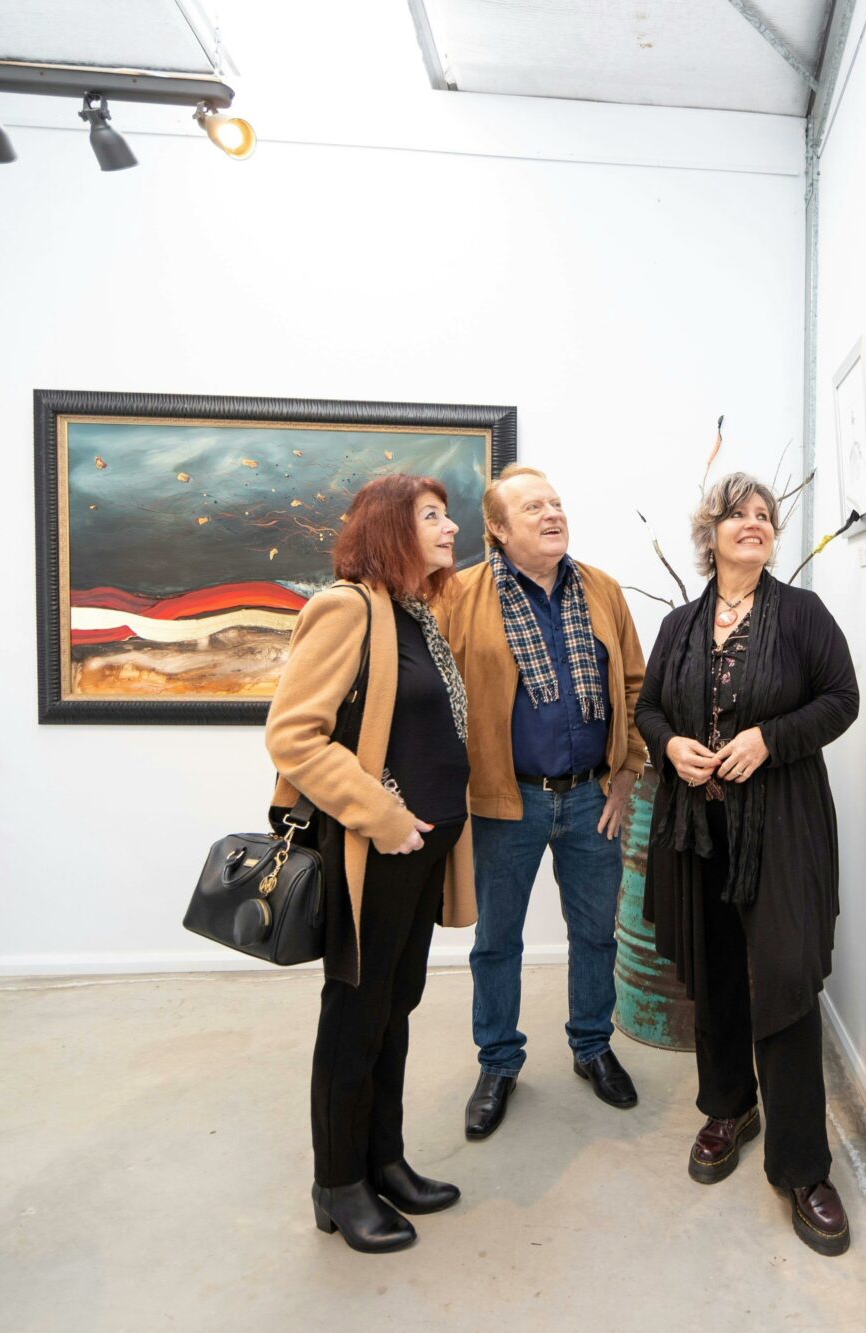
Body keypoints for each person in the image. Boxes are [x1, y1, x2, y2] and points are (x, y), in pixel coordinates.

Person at [634, 471, 860, 1257]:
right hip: (698, 829)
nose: (755, 524)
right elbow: (648, 705)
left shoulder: (801, 614)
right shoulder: (680, 624)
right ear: (713, 533)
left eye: (766, 516)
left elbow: (841, 697)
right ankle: (728, 1105)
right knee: (718, 971)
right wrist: (668, 744)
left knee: (787, 978)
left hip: (784, 827)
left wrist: (770, 739)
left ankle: (803, 1166)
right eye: (740, 514)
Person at [264, 474, 477, 1255]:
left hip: (424, 853)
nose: (450, 528)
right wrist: (383, 818)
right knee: (355, 1016)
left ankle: (383, 1159)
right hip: (375, 851)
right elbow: (293, 734)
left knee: (397, 1005)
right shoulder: (345, 606)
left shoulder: (416, 613)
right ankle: (338, 1181)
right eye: (431, 517)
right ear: (390, 529)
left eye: (447, 516)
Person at [437, 464, 649, 1139]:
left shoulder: (602, 590)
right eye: (532, 508)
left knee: (596, 933)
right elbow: (437, 698)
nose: (552, 514)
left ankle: (592, 1045)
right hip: (506, 802)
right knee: (497, 940)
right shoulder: (460, 597)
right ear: (497, 529)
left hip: (593, 798)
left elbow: (638, 688)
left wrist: (626, 774)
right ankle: (498, 1062)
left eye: (556, 503)